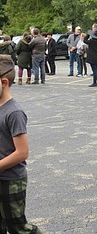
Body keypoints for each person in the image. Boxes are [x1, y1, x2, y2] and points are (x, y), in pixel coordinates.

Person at [0, 55, 42, 234]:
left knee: (18, 227)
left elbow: (22, 152)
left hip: (11, 180)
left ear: (4, 82)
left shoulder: (14, 112)